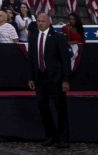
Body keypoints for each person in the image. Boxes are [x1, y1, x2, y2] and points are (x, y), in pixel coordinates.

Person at [28, 12, 71, 148]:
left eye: (43, 21)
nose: (40, 23)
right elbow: (31, 60)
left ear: (49, 22)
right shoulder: (33, 37)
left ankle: (63, 139)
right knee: (42, 107)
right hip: (40, 79)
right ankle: (50, 135)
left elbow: (65, 61)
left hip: (56, 79)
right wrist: (31, 77)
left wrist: (66, 80)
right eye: (38, 21)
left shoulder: (58, 38)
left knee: (60, 108)